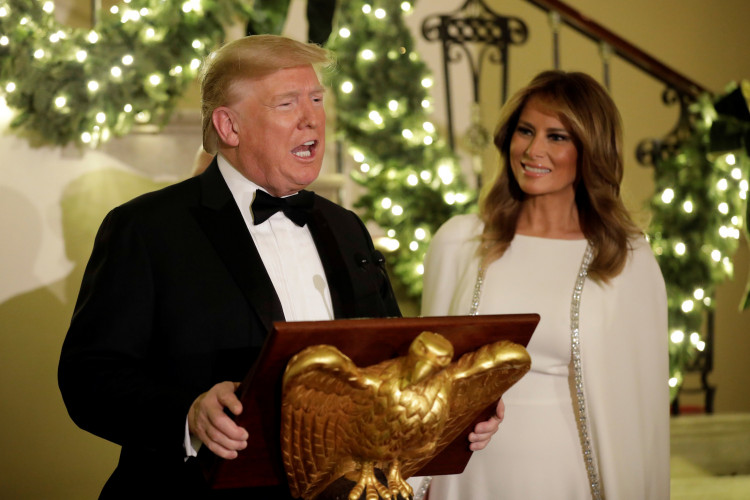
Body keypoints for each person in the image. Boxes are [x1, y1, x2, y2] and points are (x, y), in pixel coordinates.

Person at [58, 35, 501, 499]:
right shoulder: (147, 228)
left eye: (315, 99)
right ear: (229, 127)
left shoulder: (346, 227)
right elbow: (90, 378)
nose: (312, 118)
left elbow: (389, 358)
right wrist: (188, 414)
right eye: (287, 104)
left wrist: (456, 404)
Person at [419, 70, 669, 499]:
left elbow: (642, 416)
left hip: (565, 477)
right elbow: (427, 382)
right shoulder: (459, 241)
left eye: (557, 137)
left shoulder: (625, 259)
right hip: (465, 478)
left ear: (590, 149)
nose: (534, 150)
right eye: (526, 131)